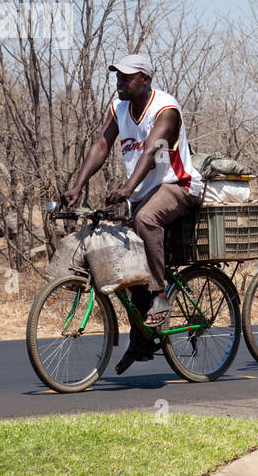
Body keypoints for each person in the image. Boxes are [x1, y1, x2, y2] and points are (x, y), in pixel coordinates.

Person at [60, 54, 204, 373]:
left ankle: (160, 294)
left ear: (146, 80)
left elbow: (153, 150)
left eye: (127, 78)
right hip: (143, 190)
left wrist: (126, 188)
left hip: (177, 184)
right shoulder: (119, 108)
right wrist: (77, 186)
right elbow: (101, 146)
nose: (120, 82)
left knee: (145, 220)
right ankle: (141, 341)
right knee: (124, 259)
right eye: (118, 77)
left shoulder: (166, 109)